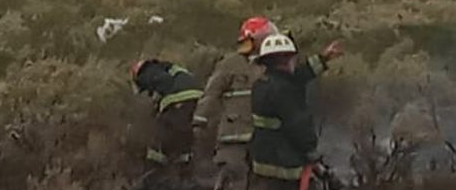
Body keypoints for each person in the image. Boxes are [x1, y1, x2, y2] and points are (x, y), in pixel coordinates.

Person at [249, 34, 343, 190]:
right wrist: (311, 151)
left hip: (262, 165)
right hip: (286, 168)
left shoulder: (261, 84)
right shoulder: (285, 90)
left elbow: (299, 75)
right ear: (288, 60)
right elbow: (298, 124)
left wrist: (323, 59)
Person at [195, 17, 279, 190]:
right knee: (233, 180)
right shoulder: (230, 63)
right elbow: (212, 92)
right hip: (234, 137)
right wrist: (200, 120)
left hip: (265, 138)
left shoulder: (275, 64)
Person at [132, 59, 205, 189]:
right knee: (183, 141)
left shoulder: (148, 71)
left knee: (161, 139)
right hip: (195, 102)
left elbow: (164, 83)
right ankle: (185, 178)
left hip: (178, 101)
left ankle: (151, 177)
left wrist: (157, 103)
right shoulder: (173, 70)